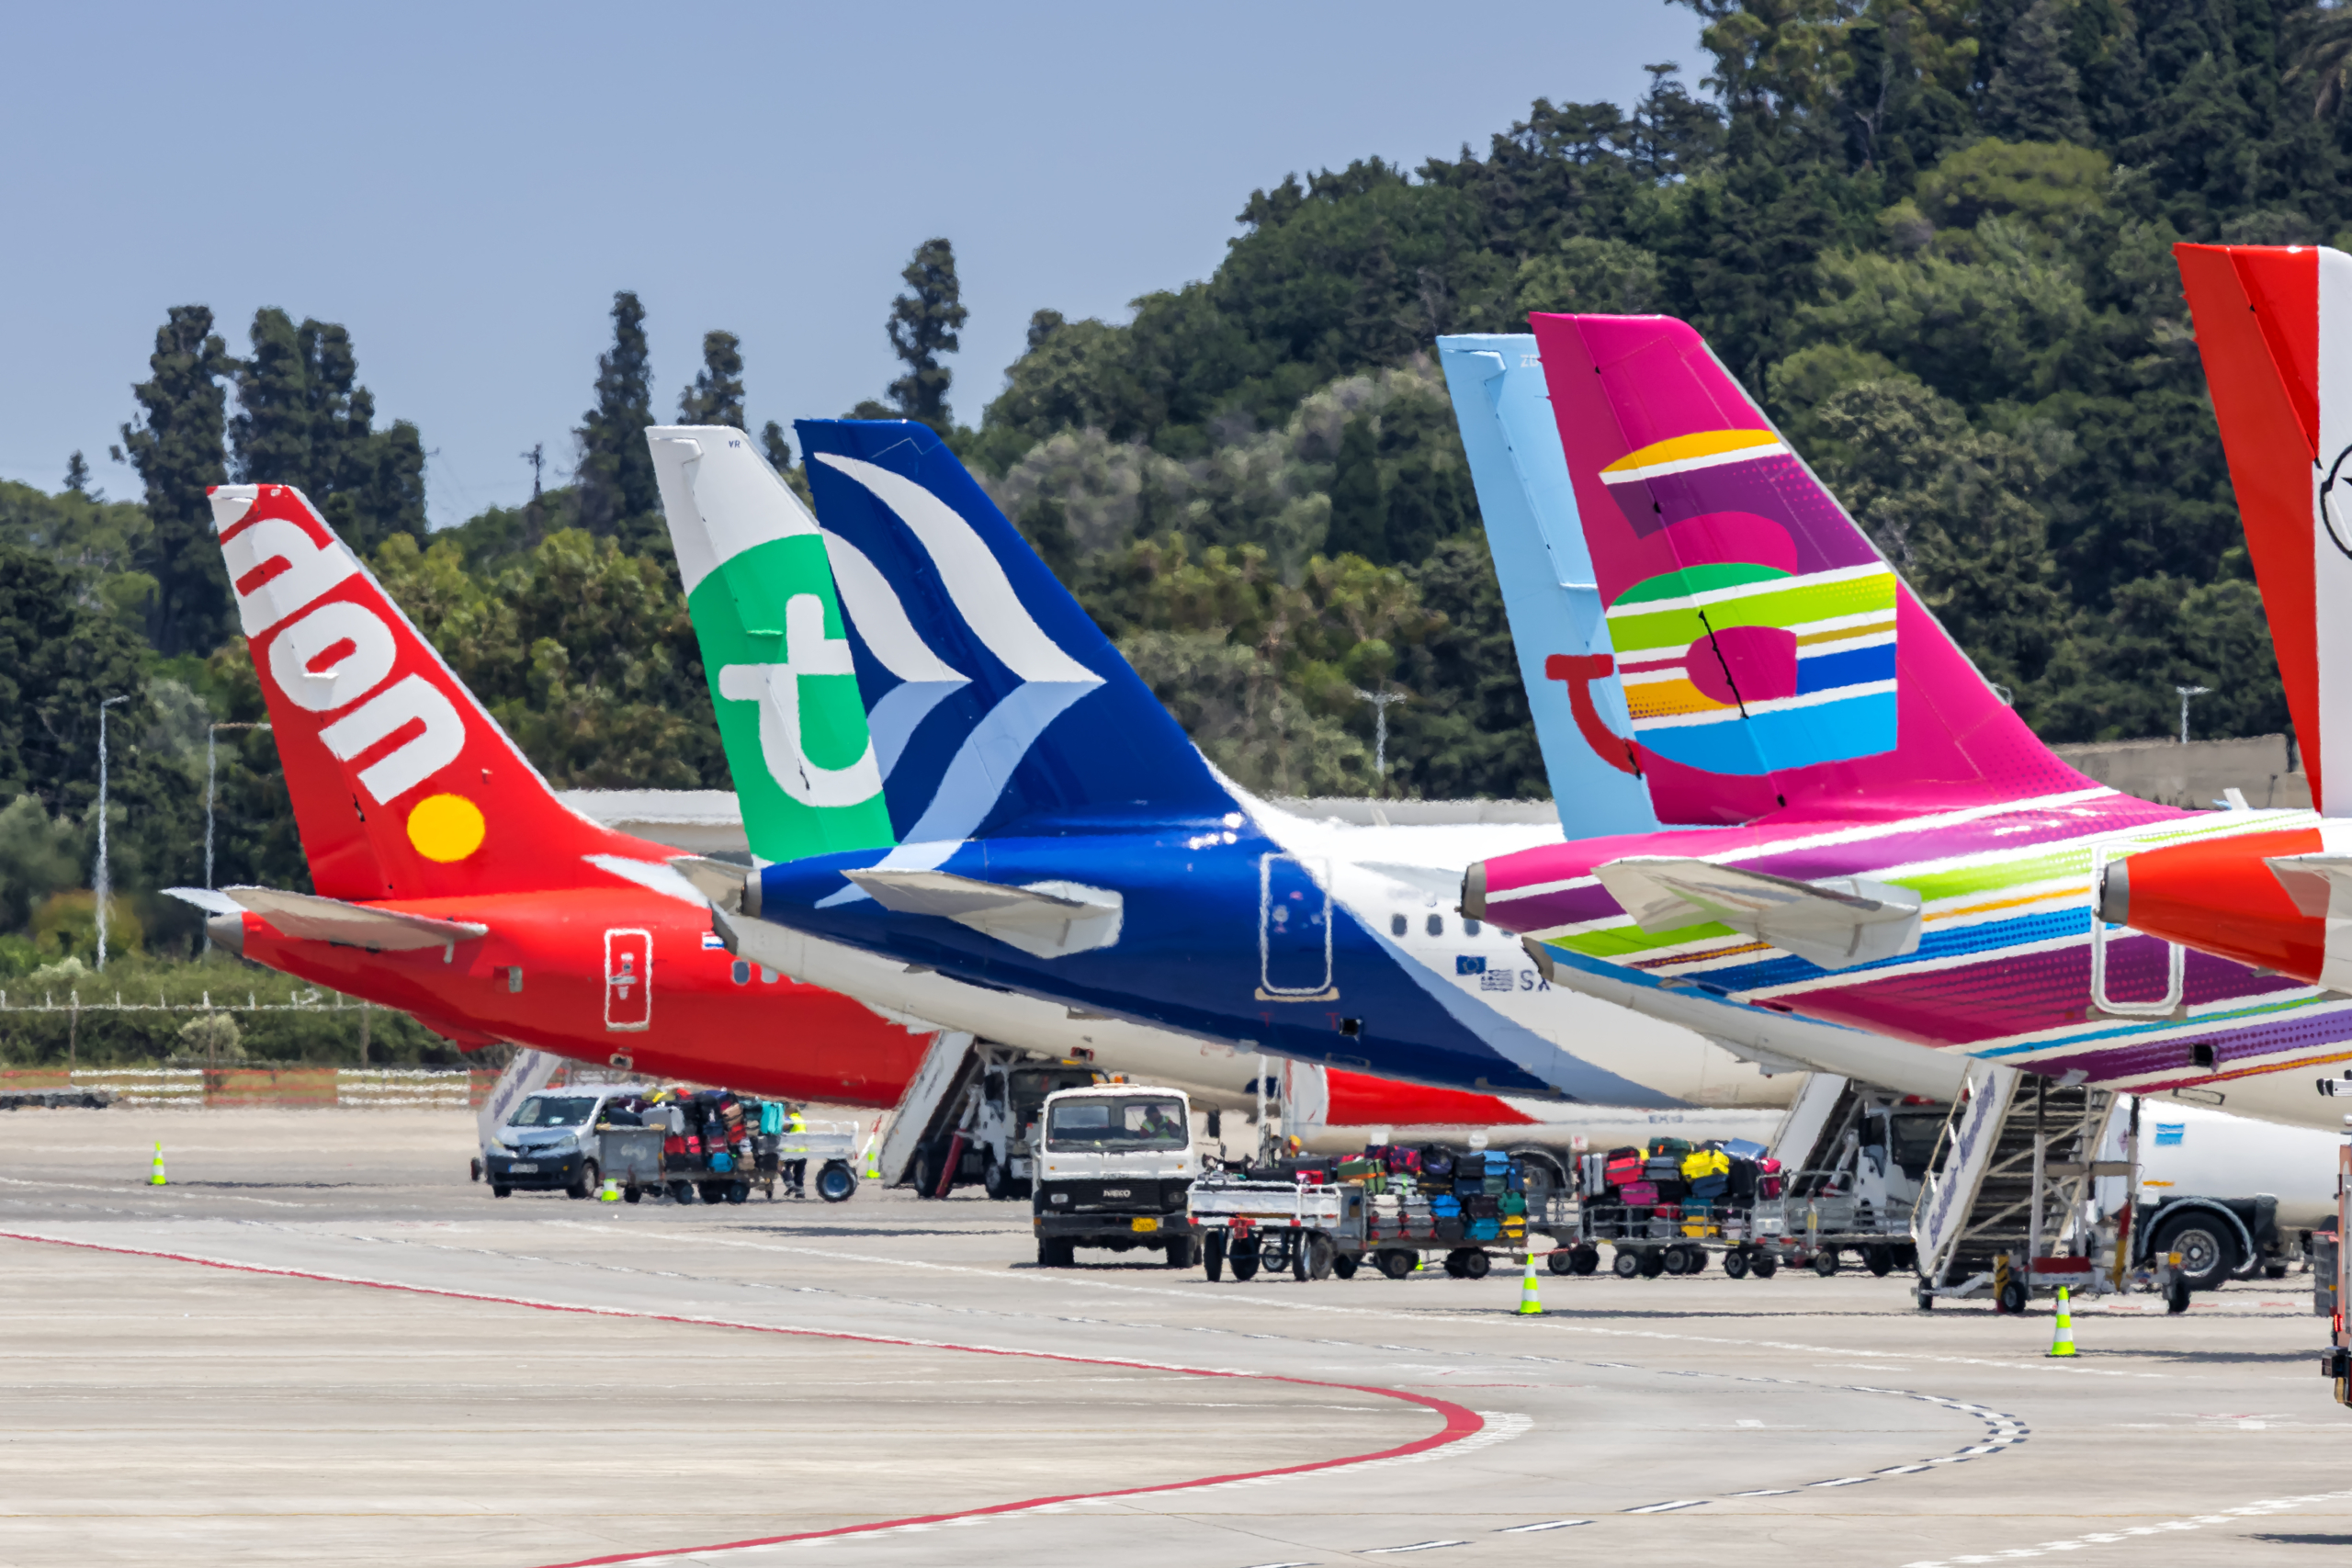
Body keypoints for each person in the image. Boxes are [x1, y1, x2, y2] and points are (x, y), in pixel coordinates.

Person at [783, 1103, 808, 1198]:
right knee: (799, 1172)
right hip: (803, 1151)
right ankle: (800, 1192)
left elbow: (782, 1130)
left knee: (782, 1167)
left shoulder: (790, 1119)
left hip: (791, 1151)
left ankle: (790, 1184)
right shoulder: (801, 1120)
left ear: (788, 1111)